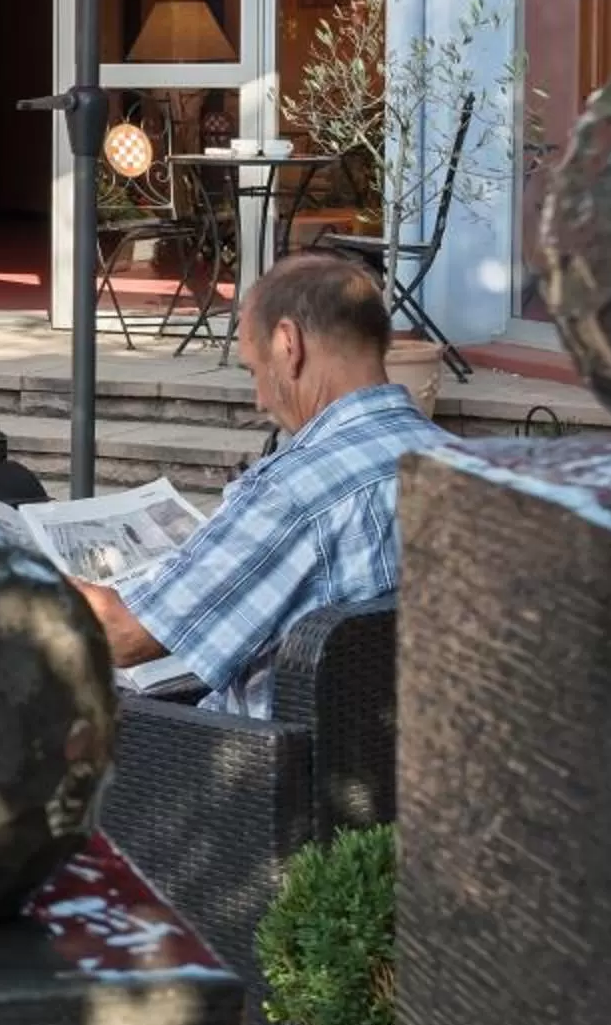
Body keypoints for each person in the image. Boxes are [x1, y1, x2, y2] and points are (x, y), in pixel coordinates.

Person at [74, 252, 449, 714]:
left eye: (254, 370)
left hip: (248, 772)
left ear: (288, 345)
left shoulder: (295, 493)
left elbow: (122, 635)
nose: (258, 400)